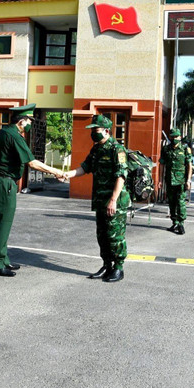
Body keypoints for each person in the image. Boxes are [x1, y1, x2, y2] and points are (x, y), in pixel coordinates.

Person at [0, 103, 64, 277]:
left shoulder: (3, 132)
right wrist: (56, 171)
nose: (30, 123)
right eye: (29, 120)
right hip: (4, 182)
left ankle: (2, 258)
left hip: (2, 181)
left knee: (2, 223)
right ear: (21, 121)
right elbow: (32, 162)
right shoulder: (14, 136)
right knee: (2, 223)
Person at [63, 114, 129, 282]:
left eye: (96, 130)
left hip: (115, 200)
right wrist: (66, 175)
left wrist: (113, 200)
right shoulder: (96, 149)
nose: (93, 133)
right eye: (92, 130)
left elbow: (121, 176)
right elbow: (85, 168)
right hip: (100, 199)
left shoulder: (117, 149)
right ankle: (107, 265)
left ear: (106, 131)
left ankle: (118, 268)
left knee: (115, 235)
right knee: (102, 235)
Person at [159, 128, 192, 235]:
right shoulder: (165, 149)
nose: (174, 139)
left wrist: (188, 180)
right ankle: (175, 222)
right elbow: (162, 165)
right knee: (172, 202)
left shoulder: (185, 149)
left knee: (181, 202)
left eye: (176, 137)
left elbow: (189, 166)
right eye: (172, 137)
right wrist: (160, 180)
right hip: (169, 180)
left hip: (181, 181)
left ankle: (181, 223)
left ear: (180, 137)